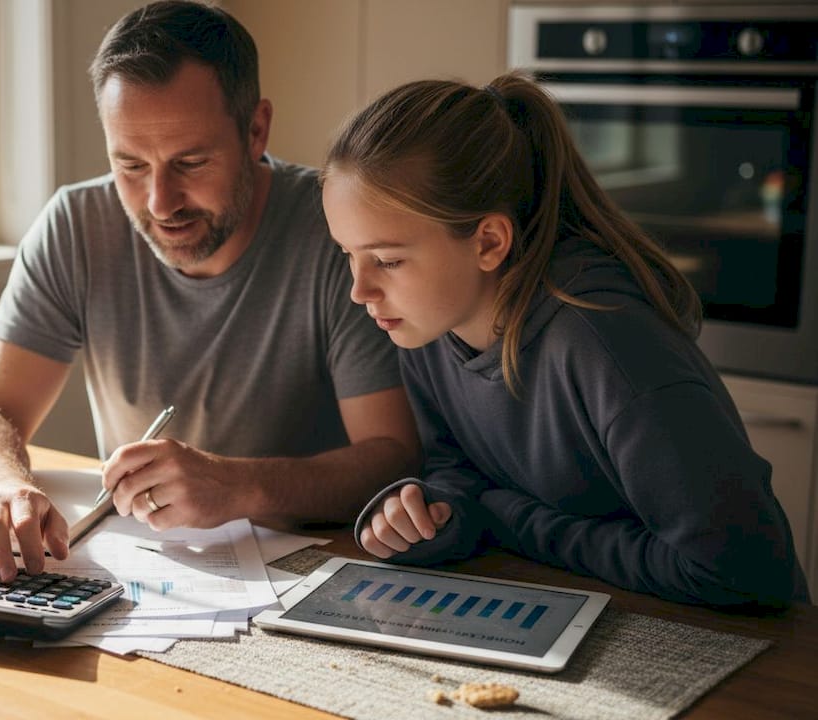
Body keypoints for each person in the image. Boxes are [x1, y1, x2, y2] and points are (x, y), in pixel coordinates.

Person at [0, 1, 420, 584]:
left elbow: (392, 455)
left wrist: (236, 485)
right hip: (141, 571)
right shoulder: (76, 225)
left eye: (190, 162)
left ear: (256, 130)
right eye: (131, 165)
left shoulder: (335, 234)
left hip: (317, 570)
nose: (159, 203)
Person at [321, 71, 810, 607]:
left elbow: (739, 569)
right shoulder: (427, 325)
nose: (359, 290)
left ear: (488, 241)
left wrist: (506, 519)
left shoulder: (607, 345)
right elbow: (458, 471)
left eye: (388, 260)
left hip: (727, 645)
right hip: (585, 612)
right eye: (350, 254)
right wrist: (438, 513)